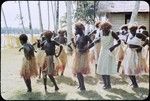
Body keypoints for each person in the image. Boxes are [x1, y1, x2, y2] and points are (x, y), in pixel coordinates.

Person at [96, 21, 121, 89]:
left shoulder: (112, 33)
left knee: (106, 68)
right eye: (103, 28)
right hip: (102, 51)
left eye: (106, 29)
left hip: (109, 52)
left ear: (109, 28)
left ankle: (108, 85)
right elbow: (98, 40)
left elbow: (119, 42)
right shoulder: (100, 33)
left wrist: (113, 47)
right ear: (101, 28)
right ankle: (105, 84)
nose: (105, 30)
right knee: (102, 68)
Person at [122, 23, 148, 88]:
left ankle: (135, 84)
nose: (132, 31)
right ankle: (133, 83)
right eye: (131, 30)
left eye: (133, 30)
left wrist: (142, 46)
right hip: (129, 53)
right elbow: (127, 43)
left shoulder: (139, 34)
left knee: (133, 68)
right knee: (128, 68)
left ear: (136, 29)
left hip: (136, 53)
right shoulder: (128, 35)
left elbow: (147, 39)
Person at [72, 22, 92, 91]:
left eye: (76, 29)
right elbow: (76, 46)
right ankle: (80, 85)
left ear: (80, 29)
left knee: (79, 71)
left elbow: (92, 43)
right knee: (77, 71)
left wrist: (86, 49)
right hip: (77, 55)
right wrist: (72, 42)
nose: (75, 31)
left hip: (83, 56)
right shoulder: (78, 37)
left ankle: (83, 87)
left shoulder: (86, 36)